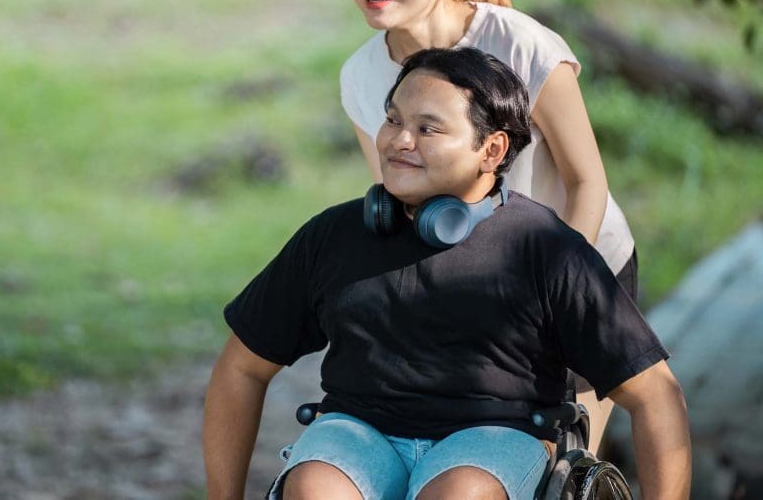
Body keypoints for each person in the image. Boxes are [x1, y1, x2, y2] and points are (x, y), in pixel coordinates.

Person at [202, 47, 690, 500]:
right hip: (358, 432)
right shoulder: (334, 235)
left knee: (460, 494)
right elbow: (242, 367)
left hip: (495, 439)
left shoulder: (546, 248)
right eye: (393, 120)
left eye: (428, 128)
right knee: (314, 488)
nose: (398, 140)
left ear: (492, 151)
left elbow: (655, 397)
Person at [335, 0, 637, 451]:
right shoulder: (359, 76)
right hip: (477, 284)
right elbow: (397, 206)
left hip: (580, 262)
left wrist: (557, 292)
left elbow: (585, 180)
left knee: (555, 464)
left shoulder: (523, 45)